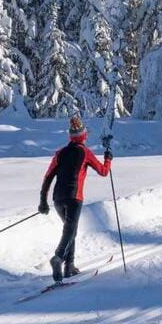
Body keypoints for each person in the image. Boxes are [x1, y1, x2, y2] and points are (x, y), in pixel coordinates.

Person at [38, 115, 113, 282]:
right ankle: (58, 258)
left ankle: (69, 266)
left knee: (70, 229)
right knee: (70, 229)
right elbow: (103, 172)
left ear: (71, 137)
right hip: (74, 197)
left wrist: (43, 201)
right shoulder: (85, 152)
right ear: (83, 136)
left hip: (58, 199)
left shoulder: (60, 153)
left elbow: (48, 177)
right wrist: (108, 159)